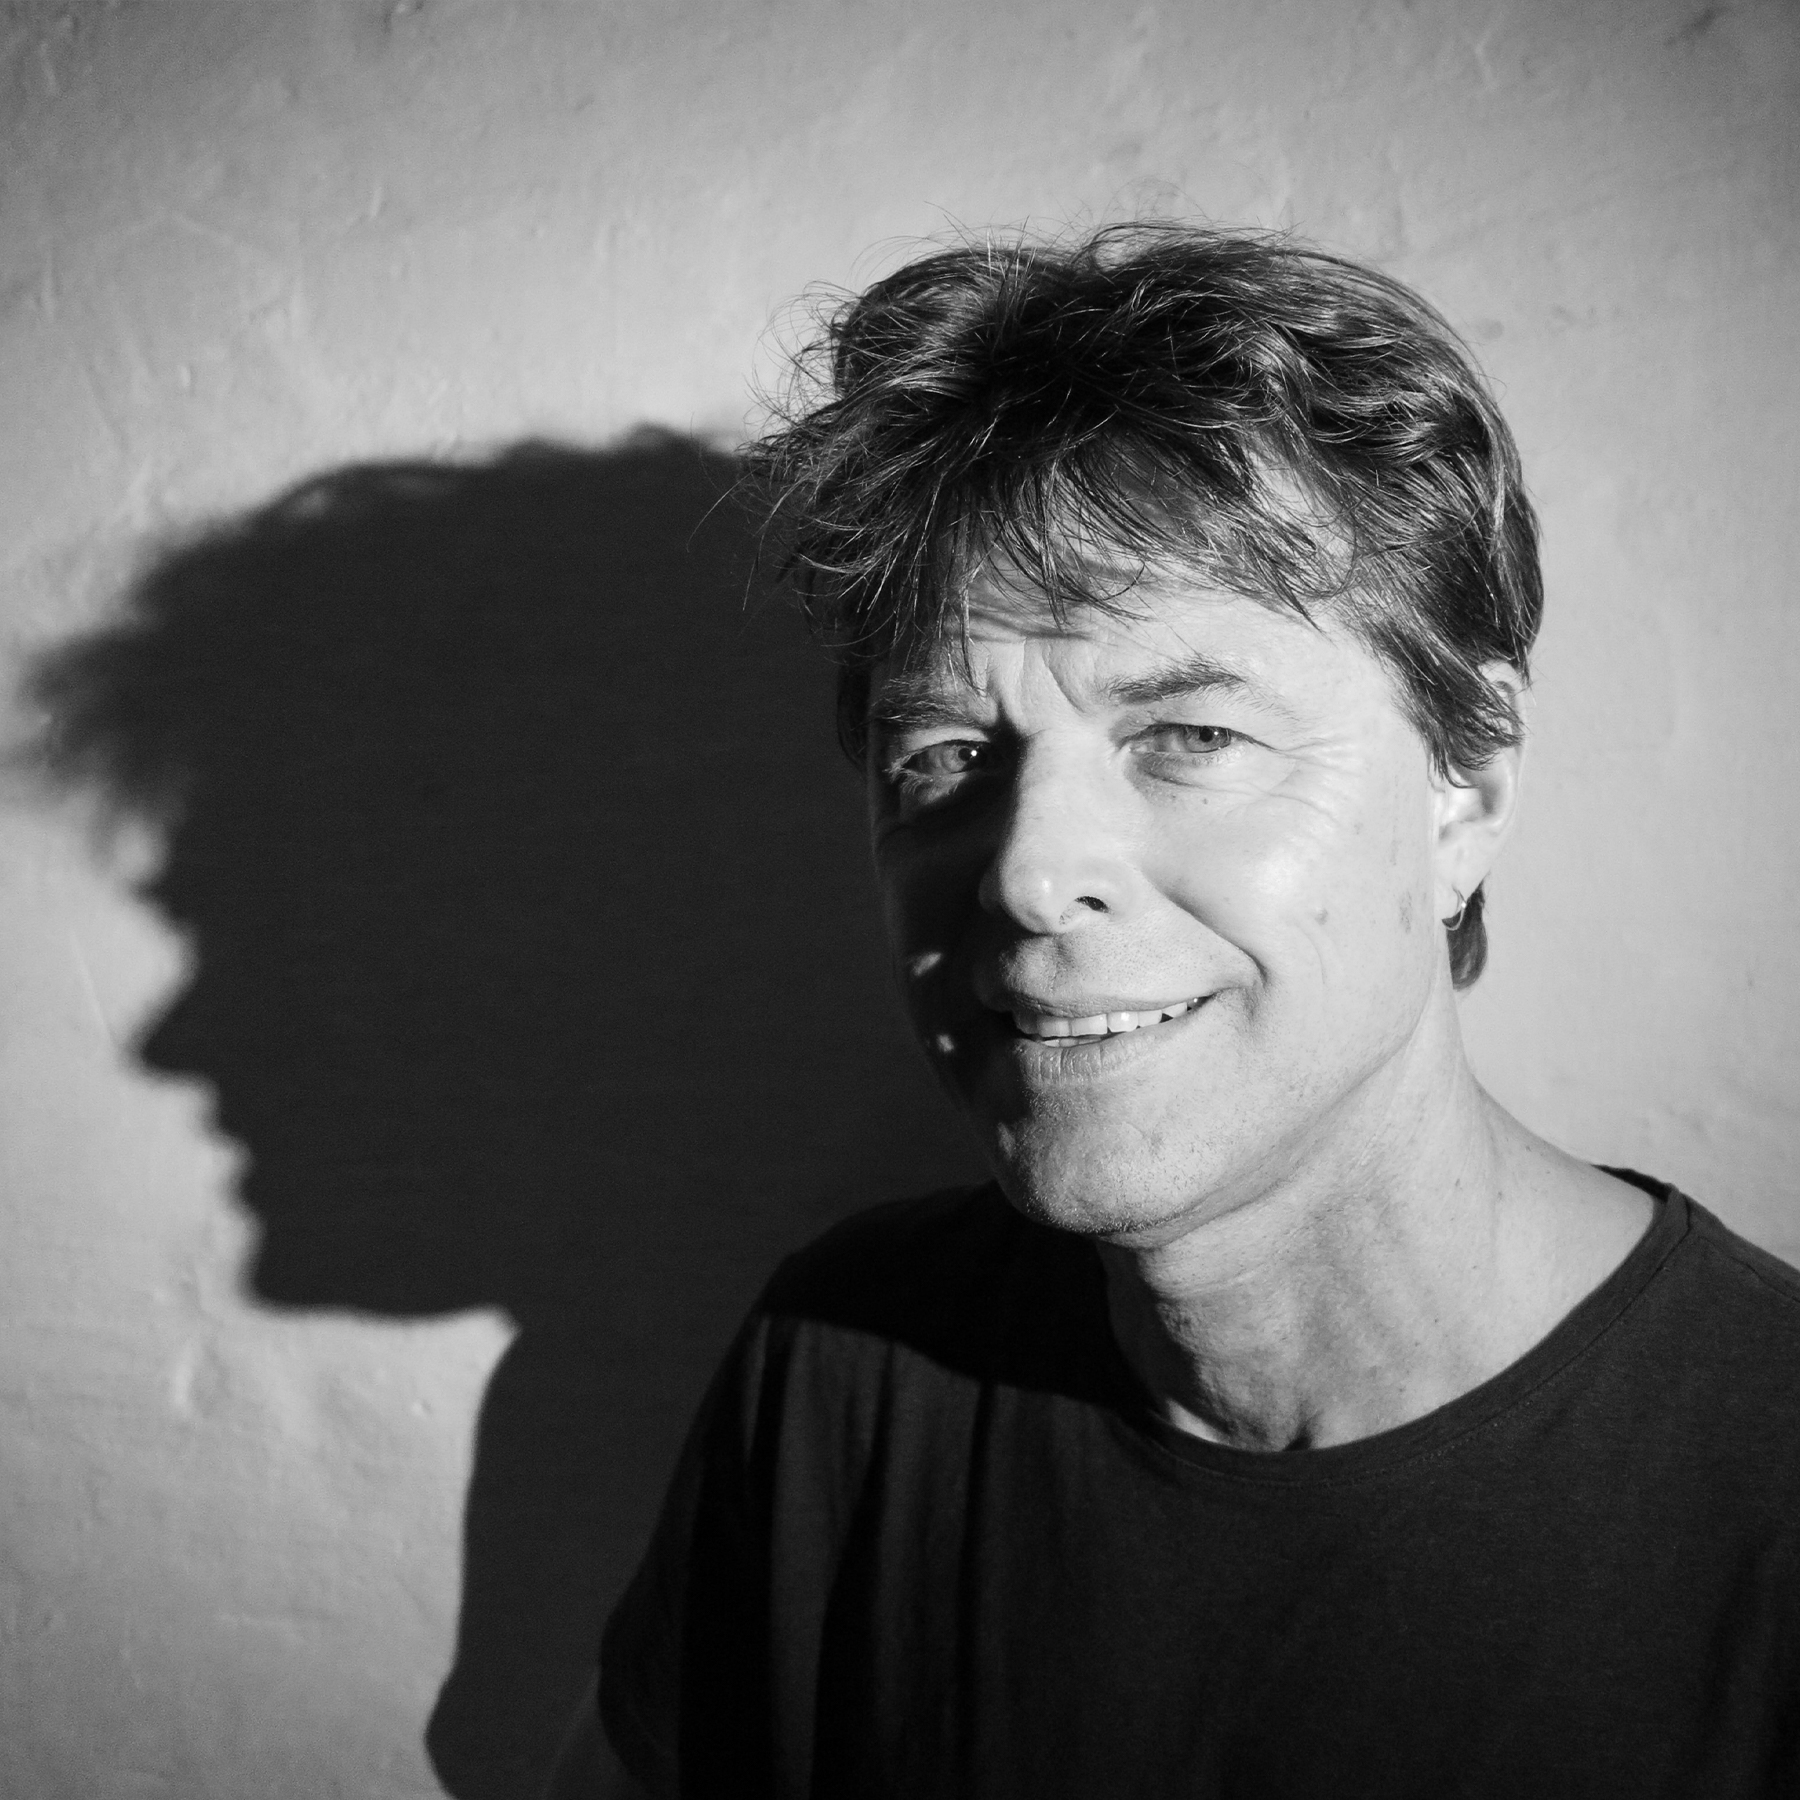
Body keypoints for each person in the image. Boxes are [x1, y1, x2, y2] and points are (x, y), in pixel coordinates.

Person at [548, 224, 1800, 1798]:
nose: (1025, 873)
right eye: (945, 754)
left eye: (1192, 734)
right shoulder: (844, 1368)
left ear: (1467, 787)